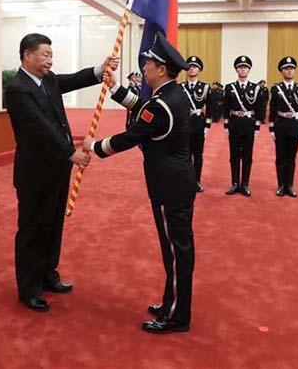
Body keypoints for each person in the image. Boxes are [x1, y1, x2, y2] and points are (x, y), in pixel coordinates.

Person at [84, 31, 195, 334]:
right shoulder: (173, 94)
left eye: (148, 62)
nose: (144, 66)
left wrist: (94, 147)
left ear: (161, 69)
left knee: (175, 251)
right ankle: (172, 302)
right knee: (177, 248)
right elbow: (141, 108)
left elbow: (130, 137)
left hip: (169, 186)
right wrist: (115, 87)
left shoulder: (160, 105)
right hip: (178, 181)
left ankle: (176, 316)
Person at [4, 33, 117, 313]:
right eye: (45, 55)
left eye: (51, 56)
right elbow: (39, 128)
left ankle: (47, 275)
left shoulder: (49, 80)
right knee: (33, 229)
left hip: (57, 170)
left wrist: (100, 70)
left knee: (54, 224)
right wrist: (70, 153)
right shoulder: (18, 89)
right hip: (35, 173)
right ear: (27, 55)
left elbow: (73, 79)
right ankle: (29, 288)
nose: (50, 61)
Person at [223, 55, 266, 197]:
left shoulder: (256, 88)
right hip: (234, 123)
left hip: (249, 124)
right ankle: (235, 183)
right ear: (236, 70)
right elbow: (226, 109)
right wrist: (226, 126)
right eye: (240, 67)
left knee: (247, 156)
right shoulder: (230, 88)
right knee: (234, 156)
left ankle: (245, 184)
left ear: (249, 70)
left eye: (245, 67)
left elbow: (260, 109)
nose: (243, 70)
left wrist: (258, 127)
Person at [269, 57, 298, 198]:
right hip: (280, 125)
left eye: (291, 68)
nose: (289, 71)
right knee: (280, 157)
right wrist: (271, 128)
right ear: (281, 71)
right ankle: (281, 185)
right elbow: (272, 109)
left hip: (295, 125)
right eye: (286, 69)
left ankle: (290, 185)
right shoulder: (276, 89)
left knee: (291, 158)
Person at [181, 56, 211, 192]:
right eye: (190, 66)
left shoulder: (205, 87)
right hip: (184, 124)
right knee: (184, 154)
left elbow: (210, 108)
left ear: (200, 69)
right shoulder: (180, 87)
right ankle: (186, 181)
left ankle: (197, 180)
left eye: (195, 66)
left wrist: (207, 127)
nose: (192, 68)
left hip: (198, 123)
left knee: (198, 155)